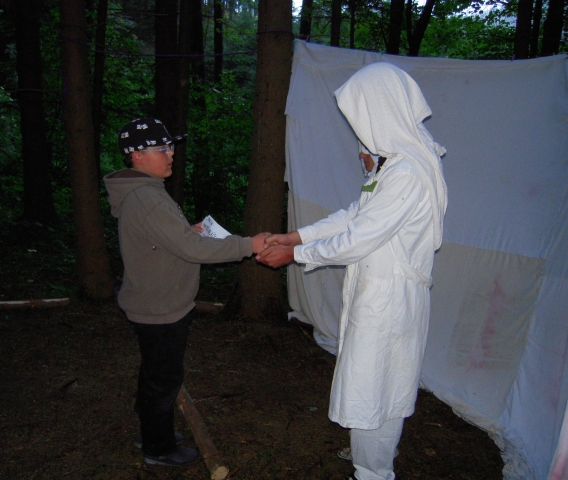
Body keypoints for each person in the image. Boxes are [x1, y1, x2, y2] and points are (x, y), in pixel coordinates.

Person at [256, 63, 448, 480]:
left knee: (374, 387)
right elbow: (354, 216)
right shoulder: (395, 165)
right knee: (378, 387)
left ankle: (371, 472)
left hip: (389, 301)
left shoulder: (408, 173)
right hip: (381, 296)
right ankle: (373, 463)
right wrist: (296, 236)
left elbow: (358, 238)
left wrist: (295, 255)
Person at [104, 117, 268, 467]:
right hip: (160, 307)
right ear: (137, 156)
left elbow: (163, 238)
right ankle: (158, 449)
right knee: (164, 378)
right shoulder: (147, 197)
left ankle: (150, 431)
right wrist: (247, 245)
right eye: (162, 148)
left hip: (154, 300)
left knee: (154, 371)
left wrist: (185, 231)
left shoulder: (144, 192)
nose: (171, 154)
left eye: (170, 146)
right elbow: (192, 250)